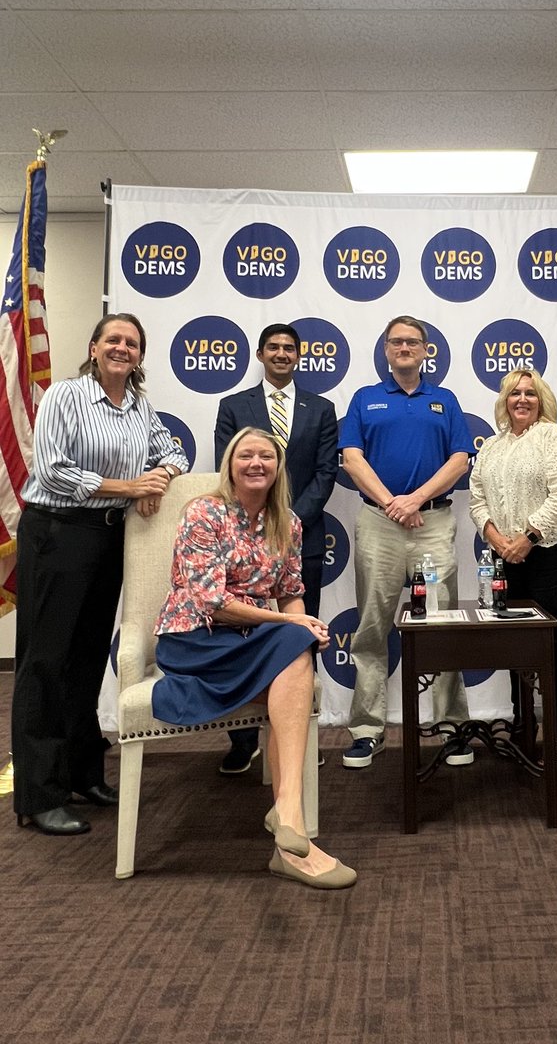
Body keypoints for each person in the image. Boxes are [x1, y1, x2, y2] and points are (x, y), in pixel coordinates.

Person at [152, 426, 356, 889]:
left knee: (297, 649)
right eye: (247, 455)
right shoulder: (203, 512)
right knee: (294, 644)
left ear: (278, 467)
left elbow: (291, 594)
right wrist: (292, 626)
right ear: (231, 463)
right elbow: (212, 602)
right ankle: (291, 821)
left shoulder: (289, 523)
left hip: (243, 640)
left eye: (267, 456)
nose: (257, 463)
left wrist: (306, 623)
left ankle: (289, 827)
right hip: (194, 640)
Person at [12, 313, 187, 836]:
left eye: (132, 343)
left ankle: (83, 772)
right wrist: (131, 487)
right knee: (45, 661)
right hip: (57, 533)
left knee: (87, 658)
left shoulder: (138, 404)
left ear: (140, 356)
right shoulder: (66, 396)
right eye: (114, 339)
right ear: (94, 347)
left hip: (108, 538)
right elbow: (52, 471)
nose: (122, 349)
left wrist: (160, 477)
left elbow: (172, 450)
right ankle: (39, 795)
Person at [339, 315, 473, 769]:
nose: (404, 347)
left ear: (425, 349)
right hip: (379, 523)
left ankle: (452, 726)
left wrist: (414, 499)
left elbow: (459, 460)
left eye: (412, 341)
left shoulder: (445, 399)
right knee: (373, 627)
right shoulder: (365, 398)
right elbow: (352, 459)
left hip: (432, 524)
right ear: (385, 349)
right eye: (396, 341)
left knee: (443, 623)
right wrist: (392, 503)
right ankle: (366, 730)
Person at [214, 323, 337, 775]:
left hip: (301, 538)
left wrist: (289, 522)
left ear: (298, 356)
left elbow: (326, 472)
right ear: (261, 354)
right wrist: (263, 522)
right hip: (241, 541)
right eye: (274, 348)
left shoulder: (321, 409)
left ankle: (298, 736)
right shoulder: (234, 406)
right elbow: (229, 468)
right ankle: (244, 740)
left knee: (300, 635)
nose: (282, 355)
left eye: (289, 349)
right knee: (240, 635)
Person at [468, 369, 557, 765]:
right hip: (503, 555)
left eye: (531, 393)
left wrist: (526, 539)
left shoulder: (555, 436)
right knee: (514, 642)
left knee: (549, 642)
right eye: (515, 393)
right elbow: (476, 499)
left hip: (546, 554)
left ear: (542, 399)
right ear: (504, 400)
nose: (522, 400)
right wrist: (497, 539)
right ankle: (522, 721)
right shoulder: (492, 446)